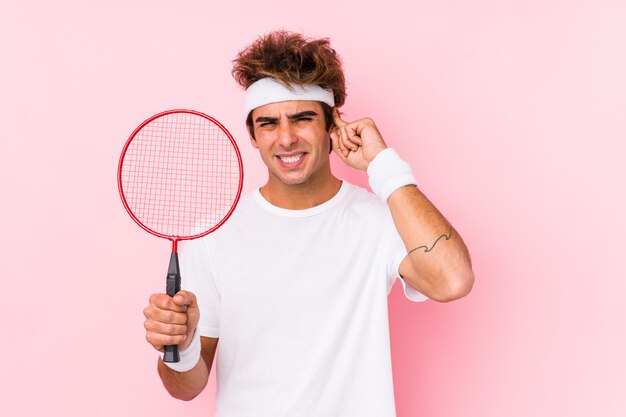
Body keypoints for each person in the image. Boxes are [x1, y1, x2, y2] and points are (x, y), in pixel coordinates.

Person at [143, 31, 474, 417]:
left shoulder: (379, 219)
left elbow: (453, 280)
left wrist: (383, 166)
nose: (286, 138)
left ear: (332, 125)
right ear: (252, 134)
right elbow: (186, 388)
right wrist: (179, 349)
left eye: (302, 119)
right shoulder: (213, 234)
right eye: (268, 123)